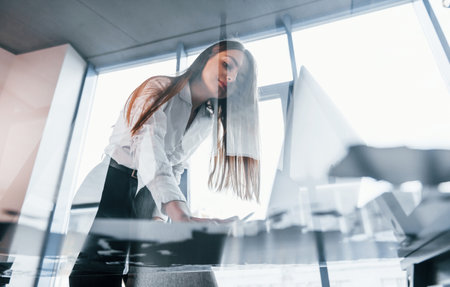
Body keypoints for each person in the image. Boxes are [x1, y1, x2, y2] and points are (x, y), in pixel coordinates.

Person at [68, 40, 260, 286]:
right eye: (227, 65)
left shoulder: (205, 119)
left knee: (190, 275)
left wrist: (159, 218)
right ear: (209, 55)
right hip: (112, 191)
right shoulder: (158, 87)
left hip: (149, 202)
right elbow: (149, 149)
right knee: (96, 278)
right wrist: (180, 214)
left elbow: (176, 167)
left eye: (239, 78)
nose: (231, 77)